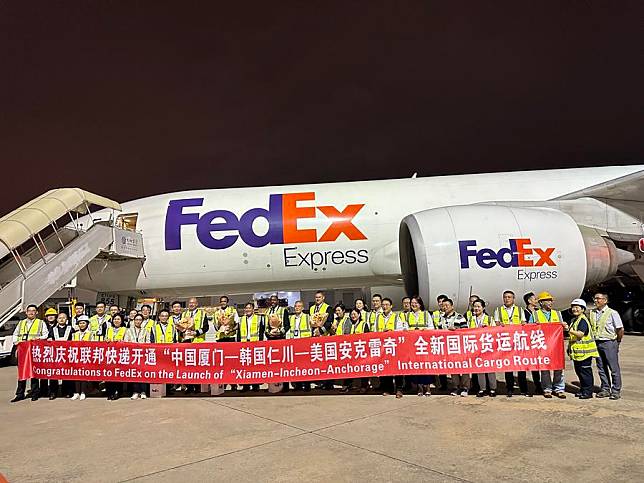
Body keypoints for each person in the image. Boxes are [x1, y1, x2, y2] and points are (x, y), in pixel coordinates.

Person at [530, 292, 568, 399]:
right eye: (547, 300)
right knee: (545, 368)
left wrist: (565, 327)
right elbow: (529, 329)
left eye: (551, 300)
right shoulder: (535, 314)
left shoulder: (558, 314)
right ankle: (547, 389)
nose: (550, 302)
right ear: (541, 303)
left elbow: (562, 328)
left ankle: (559, 389)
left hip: (556, 345)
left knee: (558, 368)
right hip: (543, 345)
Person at [494, 290, 531, 397]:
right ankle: (509, 388)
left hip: (518, 341)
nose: (507, 299)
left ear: (513, 299)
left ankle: (524, 389)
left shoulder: (520, 310)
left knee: (521, 366)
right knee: (508, 366)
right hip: (506, 342)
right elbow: (496, 323)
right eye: (505, 297)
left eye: (509, 297)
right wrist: (499, 325)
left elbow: (523, 322)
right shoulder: (498, 310)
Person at [10, 304, 49, 403]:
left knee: (34, 372)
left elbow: (45, 334)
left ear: (36, 312)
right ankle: (20, 394)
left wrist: (38, 338)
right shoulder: (21, 323)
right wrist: (17, 342)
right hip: (23, 350)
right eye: (29, 311)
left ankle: (35, 393)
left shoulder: (41, 323)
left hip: (34, 350)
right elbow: (15, 334)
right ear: (26, 312)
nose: (31, 312)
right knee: (22, 373)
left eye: (33, 311)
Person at [590, 292, 624, 400]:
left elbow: (620, 329)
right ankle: (605, 388)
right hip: (597, 342)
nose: (596, 301)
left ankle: (616, 390)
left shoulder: (612, 313)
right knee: (601, 367)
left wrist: (617, 341)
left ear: (605, 300)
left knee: (613, 368)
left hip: (609, 342)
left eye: (598, 298)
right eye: (595, 298)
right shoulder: (592, 312)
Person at [399, 296, 434, 396]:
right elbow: (404, 328)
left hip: (424, 344)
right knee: (415, 366)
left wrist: (424, 330)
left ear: (420, 304)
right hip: (412, 345)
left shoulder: (426, 314)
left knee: (426, 366)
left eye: (416, 303)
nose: (413, 305)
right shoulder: (407, 315)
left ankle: (427, 387)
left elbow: (431, 327)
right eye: (412, 303)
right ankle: (419, 387)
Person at [568, 299, 598, 399]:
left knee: (585, 373)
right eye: (573, 307)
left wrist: (569, 330)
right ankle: (583, 389)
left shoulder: (583, 320)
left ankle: (588, 392)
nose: (574, 309)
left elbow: (580, 334)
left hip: (585, 353)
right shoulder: (575, 320)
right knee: (579, 372)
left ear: (583, 309)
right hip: (578, 353)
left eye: (577, 307)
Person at [468, 299, 497, 397]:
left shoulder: (489, 319)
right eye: (475, 306)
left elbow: (495, 332)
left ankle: (492, 388)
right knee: (480, 368)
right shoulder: (471, 319)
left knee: (490, 368)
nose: (476, 308)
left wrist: (488, 327)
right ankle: (482, 388)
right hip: (476, 346)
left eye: (478, 306)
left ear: (483, 308)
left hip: (488, 346)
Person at [376, 298, 404, 398]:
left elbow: (401, 330)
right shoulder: (378, 317)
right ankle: (388, 388)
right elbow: (375, 331)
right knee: (385, 368)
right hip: (383, 347)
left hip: (394, 346)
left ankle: (399, 389)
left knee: (397, 368)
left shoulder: (396, 317)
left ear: (391, 306)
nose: (385, 307)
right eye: (383, 305)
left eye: (387, 305)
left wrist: (391, 331)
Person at [441, 299, 469, 396]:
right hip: (448, 346)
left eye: (447, 305)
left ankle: (465, 387)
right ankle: (455, 386)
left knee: (464, 367)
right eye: (443, 306)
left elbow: (465, 330)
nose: (445, 307)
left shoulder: (460, 317)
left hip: (460, 346)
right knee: (453, 367)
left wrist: (456, 330)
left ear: (452, 306)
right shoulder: (442, 318)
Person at [238, 302, 265, 392]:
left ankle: (255, 385)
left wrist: (260, 344)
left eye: (249, 308)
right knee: (245, 366)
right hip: (244, 345)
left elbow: (261, 332)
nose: (247, 310)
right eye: (246, 308)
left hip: (255, 344)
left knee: (255, 366)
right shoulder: (241, 319)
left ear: (253, 309)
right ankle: (245, 385)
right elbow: (239, 333)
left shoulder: (258, 318)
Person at [48, 312, 74, 399]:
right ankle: (53, 392)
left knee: (67, 373)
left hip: (67, 354)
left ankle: (67, 392)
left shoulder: (71, 329)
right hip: (55, 354)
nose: (62, 319)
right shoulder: (52, 329)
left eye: (64, 318)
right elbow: (49, 339)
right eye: (60, 318)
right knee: (54, 374)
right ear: (57, 319)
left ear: (66, 319)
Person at [125, 313, 151, 399]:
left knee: (143, 373)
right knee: (134, 373)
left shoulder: (146, 331)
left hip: (142, 354)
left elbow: (148, 342)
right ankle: (135, 391)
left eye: (140, 320)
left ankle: (143, 391)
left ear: (142, 321)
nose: (138, 321)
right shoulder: (128, 330)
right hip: (132, 354)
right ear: (133, 321)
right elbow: (126, 341)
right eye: (136, 320)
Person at [287, 300, 311, 391]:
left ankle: (307, 385)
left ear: (303, 308)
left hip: (305, 343)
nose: (297, 308)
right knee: (296, 366)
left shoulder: (307, 317)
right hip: (294, 344)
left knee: (305, 366)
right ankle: (298, 385)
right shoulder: (291, 318)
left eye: (299, 306)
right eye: (296, 306)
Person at [523, 291, 543, 394]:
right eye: (535, 299)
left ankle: (539, 385)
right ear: (529, 301)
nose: (536, 301)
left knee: (537, 365)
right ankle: (524, 388)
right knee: (525, 364)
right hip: (526, 342)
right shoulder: (523, 312)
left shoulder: (539, 311)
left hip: (537, 341)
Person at [153, 309, 176, 395]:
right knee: (159, 371)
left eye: (166, 316)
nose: (164, 318)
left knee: (169, 371)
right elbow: (152, 340)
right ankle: (159, 388)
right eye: (162, 316)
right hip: (158, 352)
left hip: (169, 352)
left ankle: (169, 389)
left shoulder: (173, 327)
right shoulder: (154, 327)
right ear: (159, 317)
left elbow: (175, 340)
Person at [104, 314, 127, 400]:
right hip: (110, 354)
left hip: (120, 354)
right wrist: (107, 340)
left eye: (118, 319)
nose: (116, 321)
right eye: (115, 319)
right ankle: (110, 392)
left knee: (118, 373)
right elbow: (105, 338)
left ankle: (118, 392)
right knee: (109, 373)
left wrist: (122, 341)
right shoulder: (108, 329)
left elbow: (128, 340)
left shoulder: (125, 329)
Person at [71, 315, 94, 401]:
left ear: (87, 324)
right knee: (76, 375)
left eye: (83, 323)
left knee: (84, 375)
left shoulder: (91, 334)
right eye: (80, 323)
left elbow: (93, 345)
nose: (82, 325)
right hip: (76, 356)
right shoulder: (75, 334)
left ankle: (83, 392)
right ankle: (77, 392)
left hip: (86, 356)